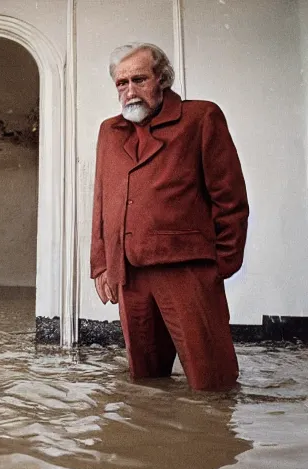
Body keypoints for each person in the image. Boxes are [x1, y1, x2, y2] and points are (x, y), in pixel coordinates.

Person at [90, 43, 249, 391]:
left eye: (139, 79)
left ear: (161, 79)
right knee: (144, 382)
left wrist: (220, 264)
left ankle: (213, 443)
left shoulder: (201, 118)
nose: (129, 91)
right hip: (130, 275)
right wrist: (102, 264)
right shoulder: (109, 132)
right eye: (121, 83)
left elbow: (230, 198)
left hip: (187, 271)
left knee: (212, 383)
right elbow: (102, 201)